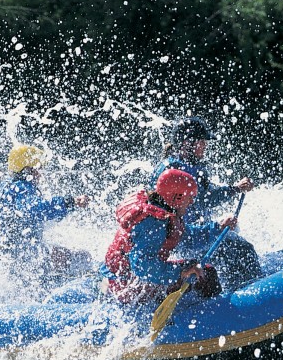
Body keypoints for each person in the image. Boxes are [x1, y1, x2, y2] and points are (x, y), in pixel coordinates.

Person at [151, 116, 261, 289]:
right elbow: (204, 199)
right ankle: (252, 294)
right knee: (242, 249)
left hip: (192, 233)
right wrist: (216, 225)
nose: (205, 146)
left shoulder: (191, 166)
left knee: (235, 245)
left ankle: (240, 288)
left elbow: (206, 197)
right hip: (185, 240)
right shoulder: (174, 170)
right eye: (202, 141)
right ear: (187, 143)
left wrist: (235, 189)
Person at [101, 168, 228, 304]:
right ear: (176, 197)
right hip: (124, 286)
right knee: (205, 273)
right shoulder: (154, 223)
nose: (191, 202)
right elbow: (143, 268)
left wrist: (217, 227)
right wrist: (181, 271)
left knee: (195, 268)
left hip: (118, 279)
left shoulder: (162, 211)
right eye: (189, 197)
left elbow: (187, 237)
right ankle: (212, 316)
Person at [0, 144, 91, 288]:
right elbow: (35, 210)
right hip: (27, 258)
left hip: (11, 254)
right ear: (28, 169)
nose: (41, 172)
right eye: (38, 167)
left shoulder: (7, 186)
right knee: (82, 258)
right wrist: (68, 202)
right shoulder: (22, 188)